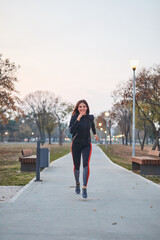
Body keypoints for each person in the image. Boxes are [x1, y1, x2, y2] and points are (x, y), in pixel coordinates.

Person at [69, 99, 99, 198]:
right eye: (80, 107)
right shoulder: (74, 117)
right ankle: (77, 183)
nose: (82, 108)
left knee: (86, 164)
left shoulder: (90, 118)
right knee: (76, 166)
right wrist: (78, 118)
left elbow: (93, 126)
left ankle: (84, 188)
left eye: (84, 106)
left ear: (87, 108)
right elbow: (71, 130)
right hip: (76, 144)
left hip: (86, 144)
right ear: (77, 108)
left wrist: (95, 134)